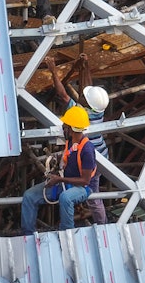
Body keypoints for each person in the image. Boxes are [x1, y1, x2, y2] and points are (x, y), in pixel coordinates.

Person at [45, 54, 110, 225]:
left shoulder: (78, 112)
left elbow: (62, 94)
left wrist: (53, 71)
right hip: (102, 155)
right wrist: (86, 66)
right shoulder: (98, 110)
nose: (82, 93)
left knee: (91, 196)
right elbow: (88, 89)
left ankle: (100, 224)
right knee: (94, 196)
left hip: (87, 159)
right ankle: (101, 223)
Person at [21, 105, 97, 234]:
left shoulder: (87, 150)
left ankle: (68, 234)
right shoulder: (71, 142)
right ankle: (28, 235)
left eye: (65, 126)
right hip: (65, 183)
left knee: (65, 198)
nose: (62, 129)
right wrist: (55, 175)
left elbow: (85, 180)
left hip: (83, 188)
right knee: (29, 196)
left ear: (71, 129)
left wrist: (59, 179)